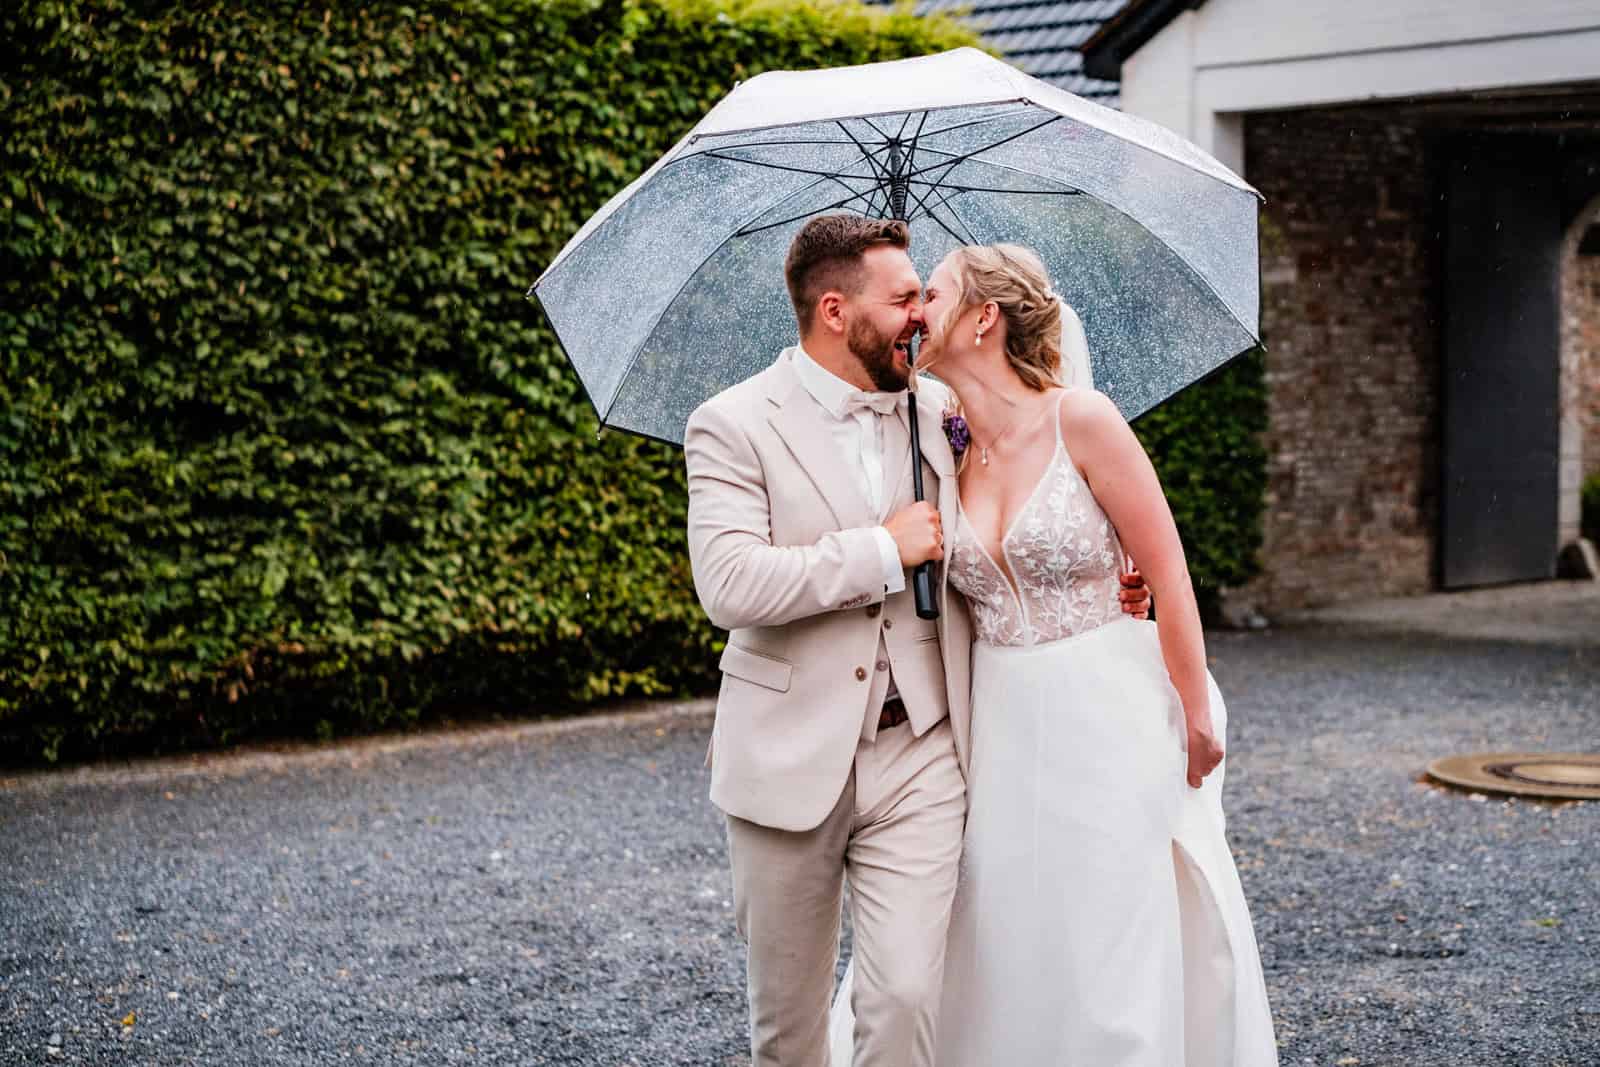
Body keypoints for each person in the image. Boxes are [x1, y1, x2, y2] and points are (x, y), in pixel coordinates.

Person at [683, 218, 1148, 1067]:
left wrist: (1114, 566)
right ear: (834, 310)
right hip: (788, 758)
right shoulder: (731, 423)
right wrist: (880, 550)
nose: (918, 317)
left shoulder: (940, 408)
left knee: (903, 997)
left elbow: (1032, 490)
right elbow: (729, 584)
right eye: (901, 298)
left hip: (925, 751)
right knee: (786, 1031)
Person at [829, 243, 1277, 1065]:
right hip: (994, 715)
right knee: (1005, 926)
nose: (919, 310)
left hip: (1104, 709)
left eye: (934, 292)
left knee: (1109, 932)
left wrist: (1196, 708)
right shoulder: (940, 445)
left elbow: (1169, 573)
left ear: (984, 317)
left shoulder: (1084, 420)